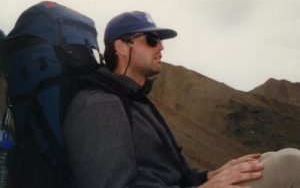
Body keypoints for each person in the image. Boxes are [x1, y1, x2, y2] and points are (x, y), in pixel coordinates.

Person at [64, 11, 300, 188]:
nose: (162, 47)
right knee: (290, 163)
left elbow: (172, 174)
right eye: (151, 40)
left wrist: (210, 175)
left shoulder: (135, 101)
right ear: (121, 47)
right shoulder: (99, 106)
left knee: (268, 158)